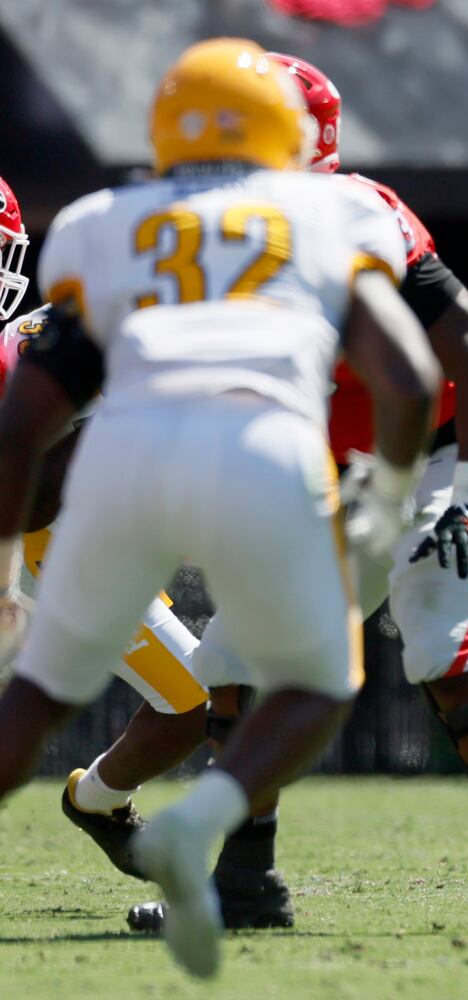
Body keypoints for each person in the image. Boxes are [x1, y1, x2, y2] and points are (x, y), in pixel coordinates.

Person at [67, 50, 468, 936]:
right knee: (235, 661)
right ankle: (246, 885)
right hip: (327, 476)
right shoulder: (195, 241)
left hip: (445, 451)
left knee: (445, 644)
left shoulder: (359, 215)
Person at [0, 38, 440, 977]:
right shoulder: (328, 215)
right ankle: (200, 818)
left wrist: (5, 571)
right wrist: (391, 493)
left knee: (37, 696)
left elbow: (25, 419)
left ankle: (137, 810)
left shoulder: (99, 222)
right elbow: (408, 377)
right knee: (317, 680)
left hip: (120, 470)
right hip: (260, 450)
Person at [0, 178, 212, 879]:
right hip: (42, 540)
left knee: (195, 699)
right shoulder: (46, 339)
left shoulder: (78, 331)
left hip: (63, 543)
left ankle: (95, 801)